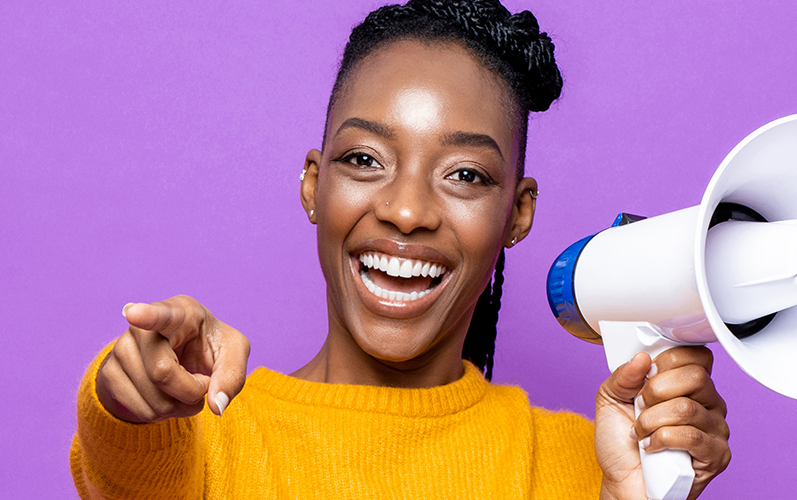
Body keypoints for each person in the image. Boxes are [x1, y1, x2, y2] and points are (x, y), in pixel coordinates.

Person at [71, 1, 732, 498]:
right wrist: (132, 395)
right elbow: (125, 459)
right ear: (313, 184)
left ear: (517, 214)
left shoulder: (587, 464)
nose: (407, 211)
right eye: (364, 159)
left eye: (465, 175)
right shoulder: (205, 436)